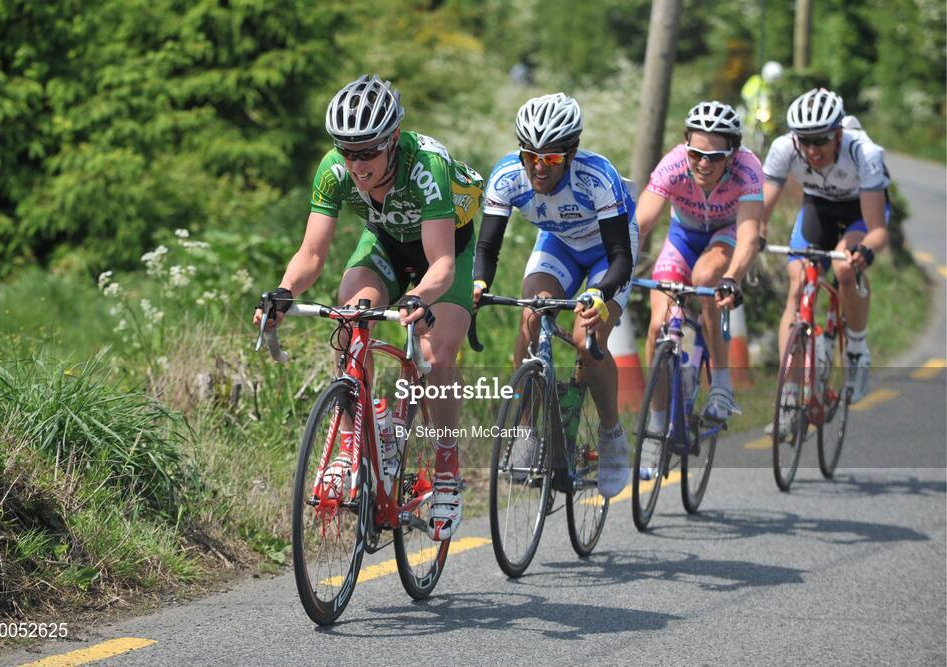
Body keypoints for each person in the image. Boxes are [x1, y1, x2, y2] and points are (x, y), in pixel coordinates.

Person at [253, 75, 484, 541]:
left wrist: (418, 297)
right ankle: (353, 437)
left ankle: (446, 467)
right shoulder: (335, 168)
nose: (356, 164)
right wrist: (283, 292)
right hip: (386, 243)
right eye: (346, 150)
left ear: (393, 139)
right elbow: (312, 254)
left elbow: (438, 262)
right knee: (349, 311)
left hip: (445, 253)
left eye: (368, 151)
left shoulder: (427, 166)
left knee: (435, 355)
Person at [473, 93, 638, 498]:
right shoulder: (507, 176)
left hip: (607, 252)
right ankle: (527, 428)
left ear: (572, 152)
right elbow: (487, 249)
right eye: (530, 156)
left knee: (587, 338)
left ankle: (612, 434)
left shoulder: (597, 177)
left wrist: (599, 294)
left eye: (552, 159)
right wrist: (478, 285)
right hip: (560, 244)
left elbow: (620, 256)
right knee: (531, 316)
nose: (539, 168)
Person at [636, 101, 763, 433]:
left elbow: (750, 234)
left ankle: (721, 385)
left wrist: (732, 277)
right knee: (657, 325)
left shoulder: (748, 168)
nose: (704, 164)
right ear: (685, 145)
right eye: (696, 154)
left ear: (732, 153)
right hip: (683, 238)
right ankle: (656, 424)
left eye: (715, 157)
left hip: (725, 236)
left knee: (707, 277)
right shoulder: (674, 163)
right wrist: (615, 269)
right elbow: (642, 223)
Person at [762, 88, 889, 410]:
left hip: (860, 212)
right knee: (799, 280)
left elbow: (877, 231)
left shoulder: (864, 153)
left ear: (838, 133)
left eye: (820, 140)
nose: (812, 149)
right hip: (819, 209)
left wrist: (866, 251)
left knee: (846, 269)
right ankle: (789, 393)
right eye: (804, 140)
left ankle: (857, 350)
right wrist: (755, 235)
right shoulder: (783, 148)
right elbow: (759, 213)